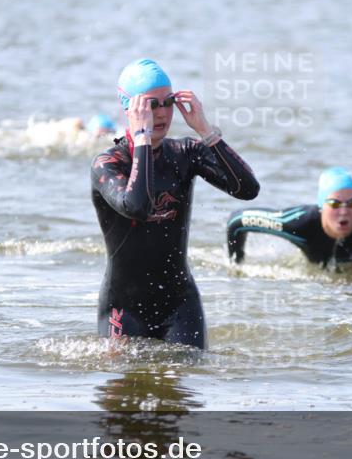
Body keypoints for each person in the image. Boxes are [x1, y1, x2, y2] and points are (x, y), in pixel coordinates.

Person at [91, 58, 260, 349]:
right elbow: (138, 207)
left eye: (168, 102)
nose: (161, 114)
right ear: (129, 108)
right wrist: (142, 139)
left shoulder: (184, 153)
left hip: (180, 305)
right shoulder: (108, 164)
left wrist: (206, 132)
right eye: (150, 106)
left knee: (186, 385)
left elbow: (247, 189)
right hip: (124, 308)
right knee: (121, 390)